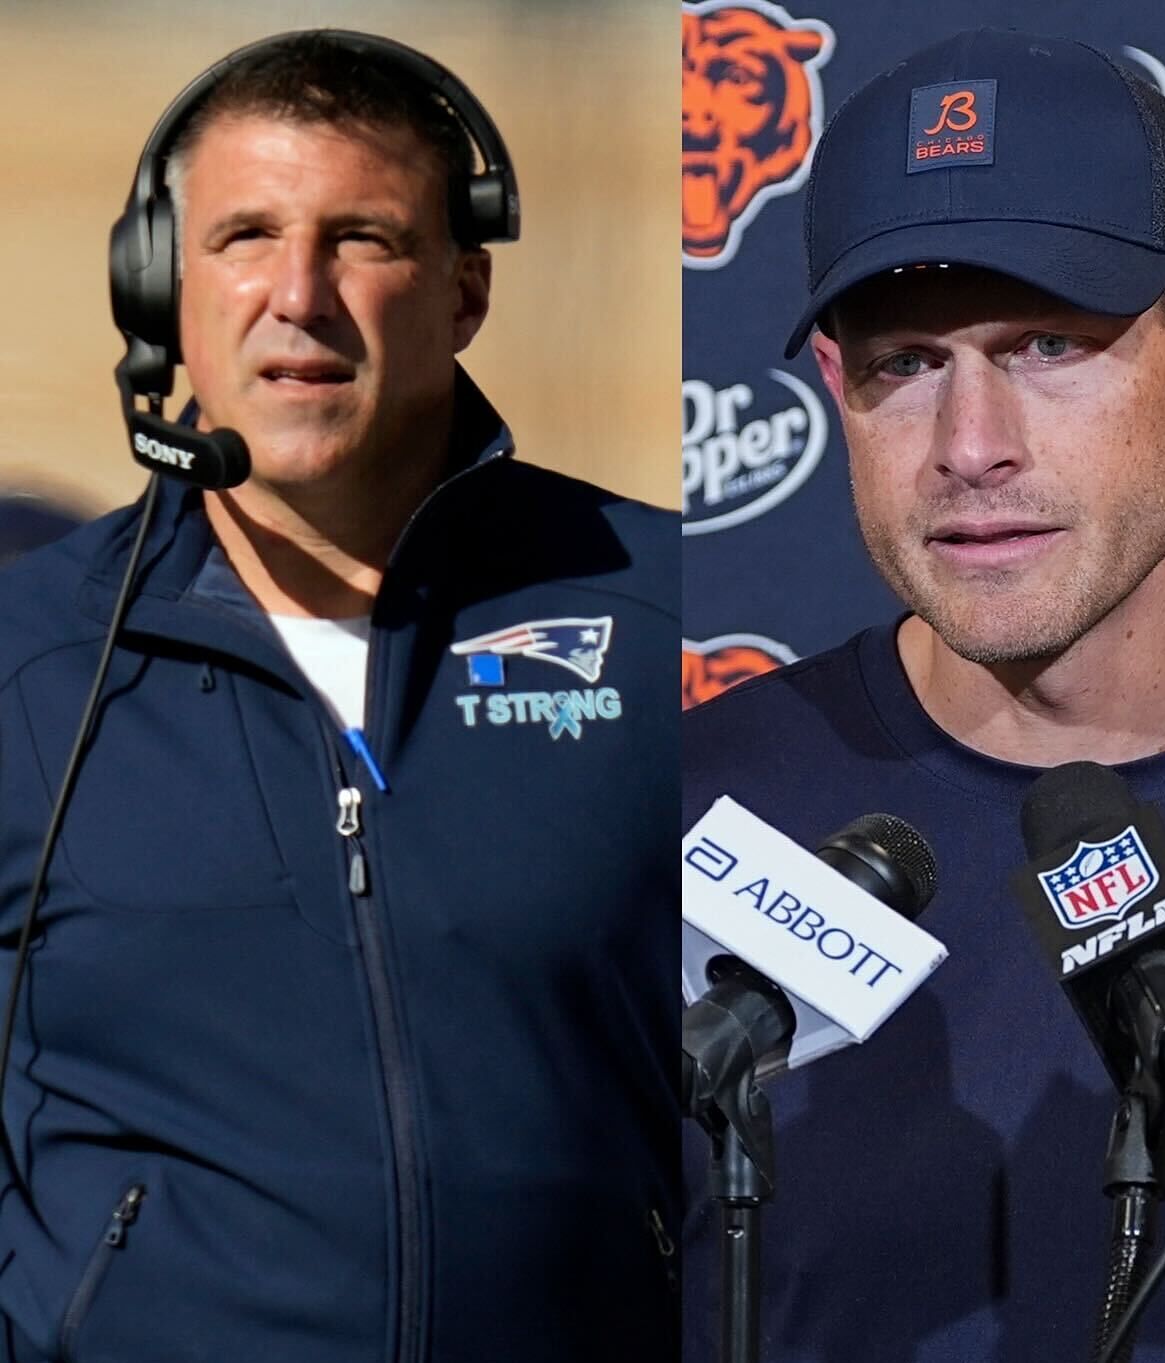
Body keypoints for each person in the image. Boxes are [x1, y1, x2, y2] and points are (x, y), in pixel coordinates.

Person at [681, 27, 1165, 1363]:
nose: (970, 447)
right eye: (906, 364)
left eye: (1047, 342)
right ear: (834, 388)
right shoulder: (687, 811)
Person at [0, 32, 683, 1361]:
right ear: (159, 288)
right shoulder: (22, 659)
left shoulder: (663, 609)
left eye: (362, 238)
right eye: (245, 235)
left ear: (464, 290)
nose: (296, 294)